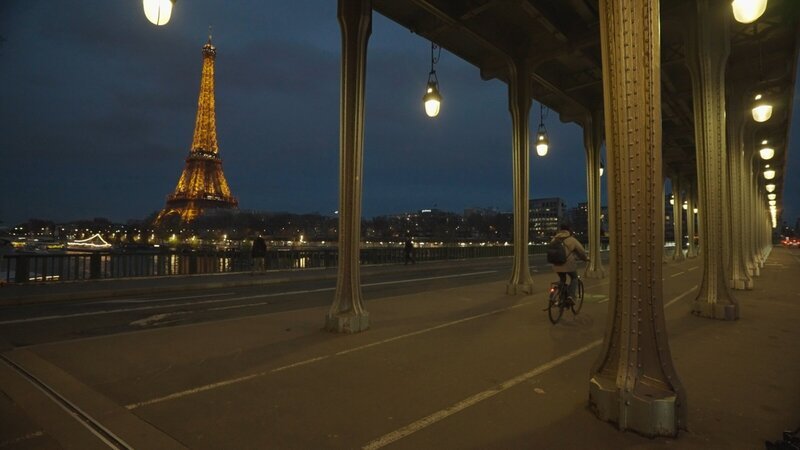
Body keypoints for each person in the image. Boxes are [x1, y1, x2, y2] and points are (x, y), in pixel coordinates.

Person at [549, 224, 589, 304]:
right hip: (568, 265)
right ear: (569, 230)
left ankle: (556, 297)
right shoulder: (572, 240)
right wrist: (585, 258)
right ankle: (571, 296)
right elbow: (581, 251)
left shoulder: (554, 239)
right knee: (574, 278)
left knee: (562, 279)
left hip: (556, 264)